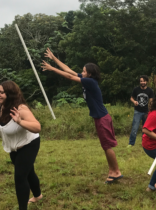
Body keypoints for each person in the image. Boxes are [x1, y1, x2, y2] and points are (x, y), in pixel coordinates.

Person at [41, 48, 123, 184]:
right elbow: (69, 70)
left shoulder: (90, 82)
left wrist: (52, 69)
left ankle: (116, 171)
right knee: (105, 146)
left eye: (84, 71)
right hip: (100, 118)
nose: (81, 72)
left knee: (107, 146)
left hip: (102, 118)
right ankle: (112, 171)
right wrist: (54, 59)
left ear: (89, 74)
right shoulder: (87, 80)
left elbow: (69, 76)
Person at [0, 81, 42, 210]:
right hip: (13, 147)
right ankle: (38, 195)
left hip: (29, 144)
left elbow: (37, 127)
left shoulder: (21, 109)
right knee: (28, 172)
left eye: (2, 92)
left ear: (10, 93)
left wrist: (20, 121)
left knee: (20, 176)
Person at [128, 75, 154, 147]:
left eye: (144, 81)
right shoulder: (136, 89)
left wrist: (151, 109)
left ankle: (144, 143)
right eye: (141, 81)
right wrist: (134, 102)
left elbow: (151, 101)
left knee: (145, 129)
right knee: (134, 128)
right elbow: (131, 98)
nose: (142, 82)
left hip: (146, 112)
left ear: (146, 82)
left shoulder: (150, 90)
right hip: (137, 111)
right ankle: (131, 143)